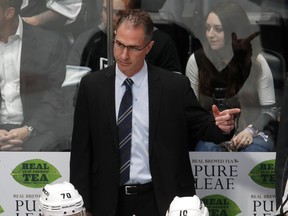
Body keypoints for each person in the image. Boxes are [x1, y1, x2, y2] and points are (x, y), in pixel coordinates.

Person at [70, 9, 240, 216]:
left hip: (161, 199)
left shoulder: (173, 86)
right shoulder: (92, 86)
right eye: (120, 44)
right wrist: (81, 205)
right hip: (107, 201)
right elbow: (81, 153)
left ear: (149, 47)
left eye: (133, 48)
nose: (124, 55)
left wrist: (222, 126)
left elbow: (201, 125)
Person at [185, 1, 277, 152]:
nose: (210, 35)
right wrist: (217, 127)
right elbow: (191, 111)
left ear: (234, 31)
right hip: (211, 130)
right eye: (207, 28)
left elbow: (270, 111)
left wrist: (250, 131)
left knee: (255, 150)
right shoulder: (197, 61)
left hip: (252, 130)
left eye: (218, 29)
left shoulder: (257, 62)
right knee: (207, 150)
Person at [0, 0, 66, 151]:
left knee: (52, 145)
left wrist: (30, 129)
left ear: (9, 13)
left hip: (35, 131)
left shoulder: (49, 44)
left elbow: (55, 96)